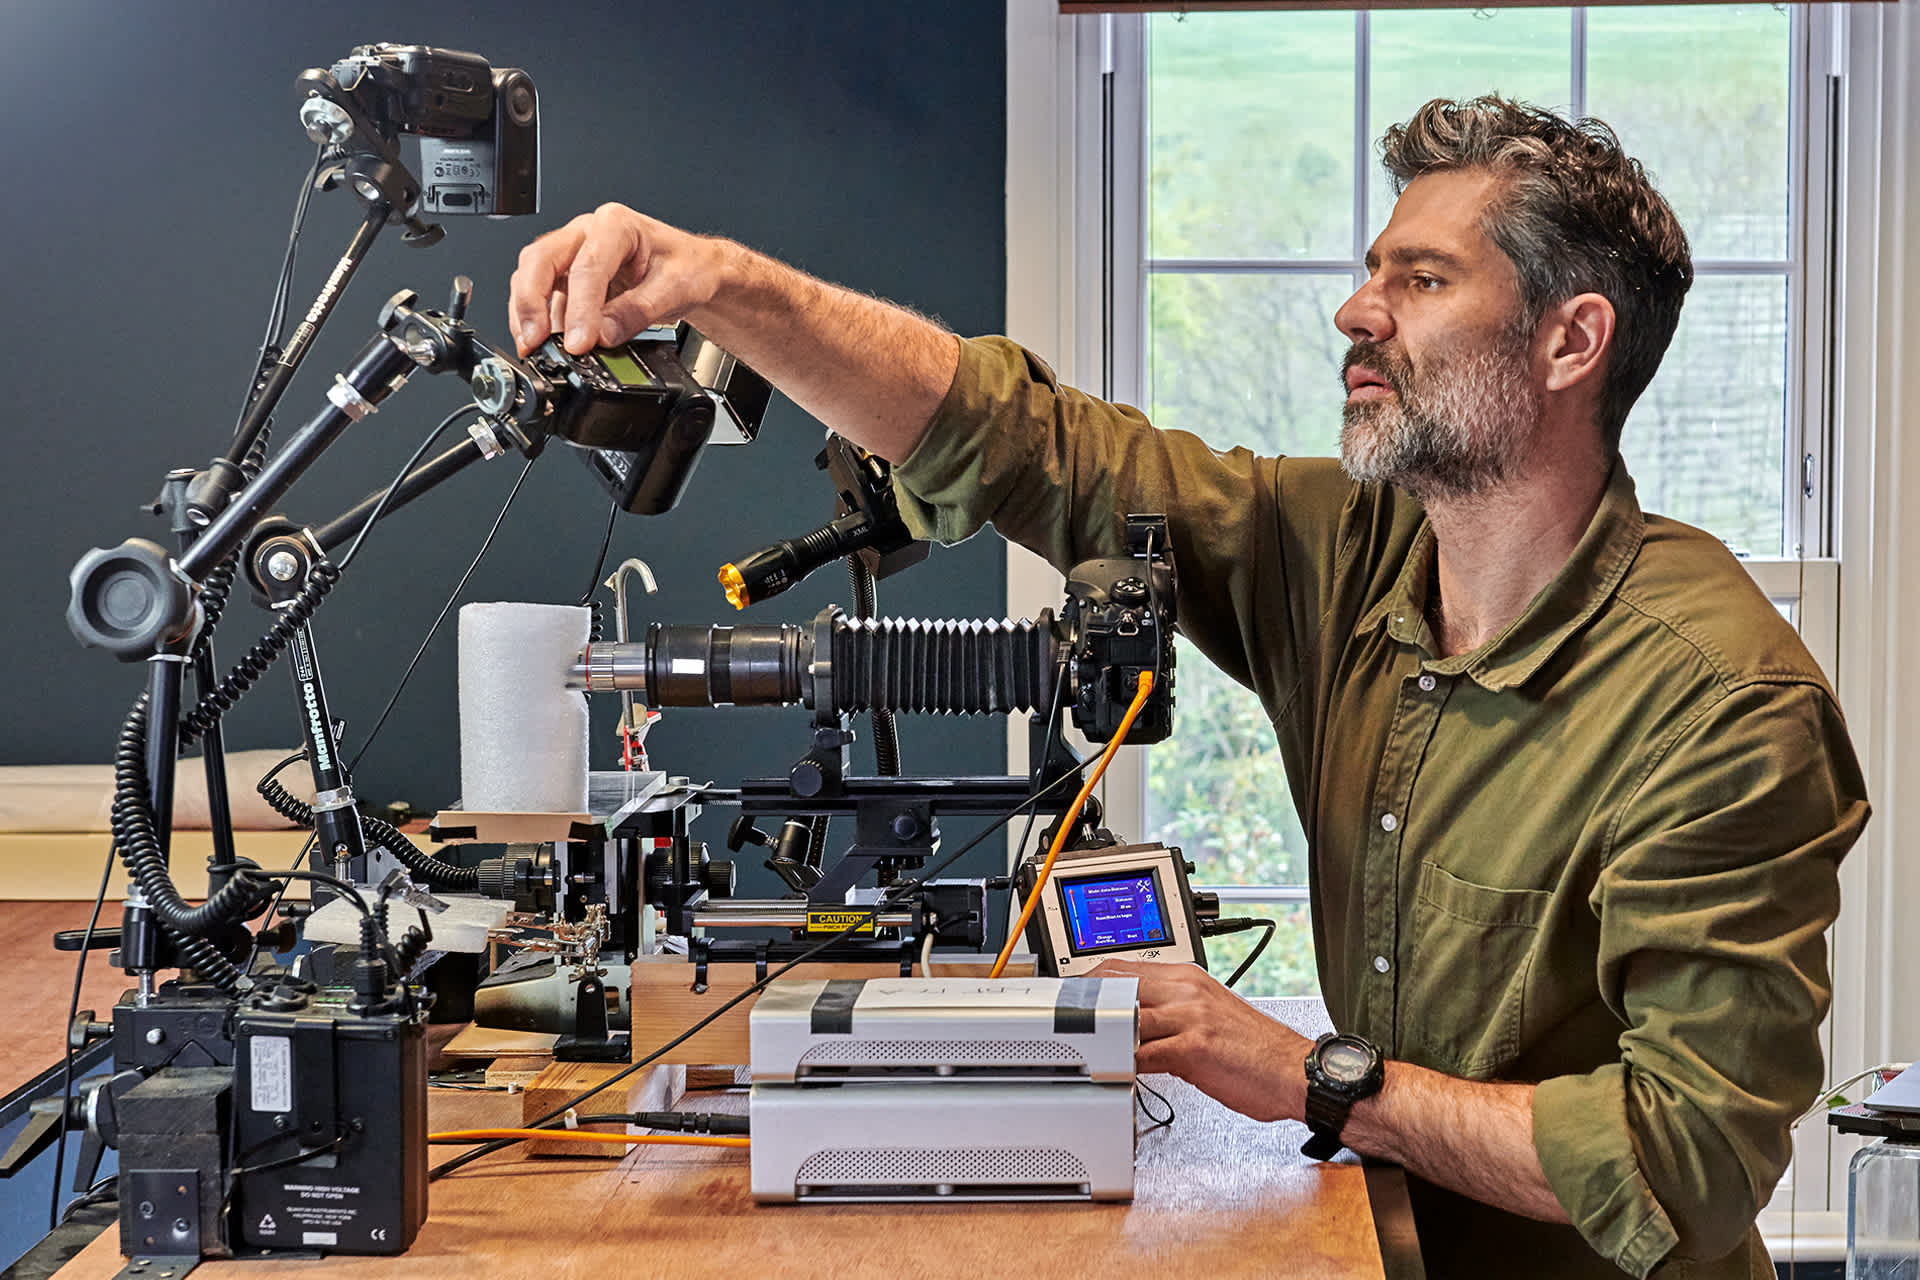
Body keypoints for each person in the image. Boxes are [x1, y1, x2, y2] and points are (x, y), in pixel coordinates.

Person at [508, 96, 1868, 1279]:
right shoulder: (1343, 546)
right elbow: (1027, 446)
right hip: (1370, 1236)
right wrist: (718, 283)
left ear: (1572, 344)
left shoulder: (1723, 705)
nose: (1357, 310)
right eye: (1368, 270)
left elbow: (1681, 1163)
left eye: (1425, 280)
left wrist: (1314, 1076)